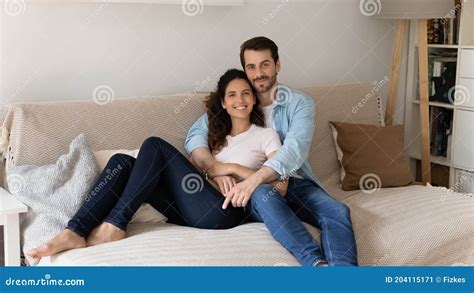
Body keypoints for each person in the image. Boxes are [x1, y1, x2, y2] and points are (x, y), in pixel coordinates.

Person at [27, 69, 287, 263]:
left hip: (223, 212)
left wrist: (231, 169)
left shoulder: (266, 135)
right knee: (122, 163)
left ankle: (116, 224)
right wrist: (213, 172)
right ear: (223, 102)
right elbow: (195, 170)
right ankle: (75, 229)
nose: (239, 99)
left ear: (254, 99)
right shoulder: (212, 134)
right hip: (191, 207)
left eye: (245, 93)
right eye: (232, 94)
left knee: (154, 144)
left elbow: (280, 183)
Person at [185, 36, 358, 266]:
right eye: (251, 67)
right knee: (263, 194)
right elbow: (195, 135)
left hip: (294, 182)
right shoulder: (240, 101)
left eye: (265, 64)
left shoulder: (299, 103)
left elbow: (294, 151)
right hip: (256, 191)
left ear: (277, 65)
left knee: (337, 212)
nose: (259, 73)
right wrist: (215, 169)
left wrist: (254, 178)